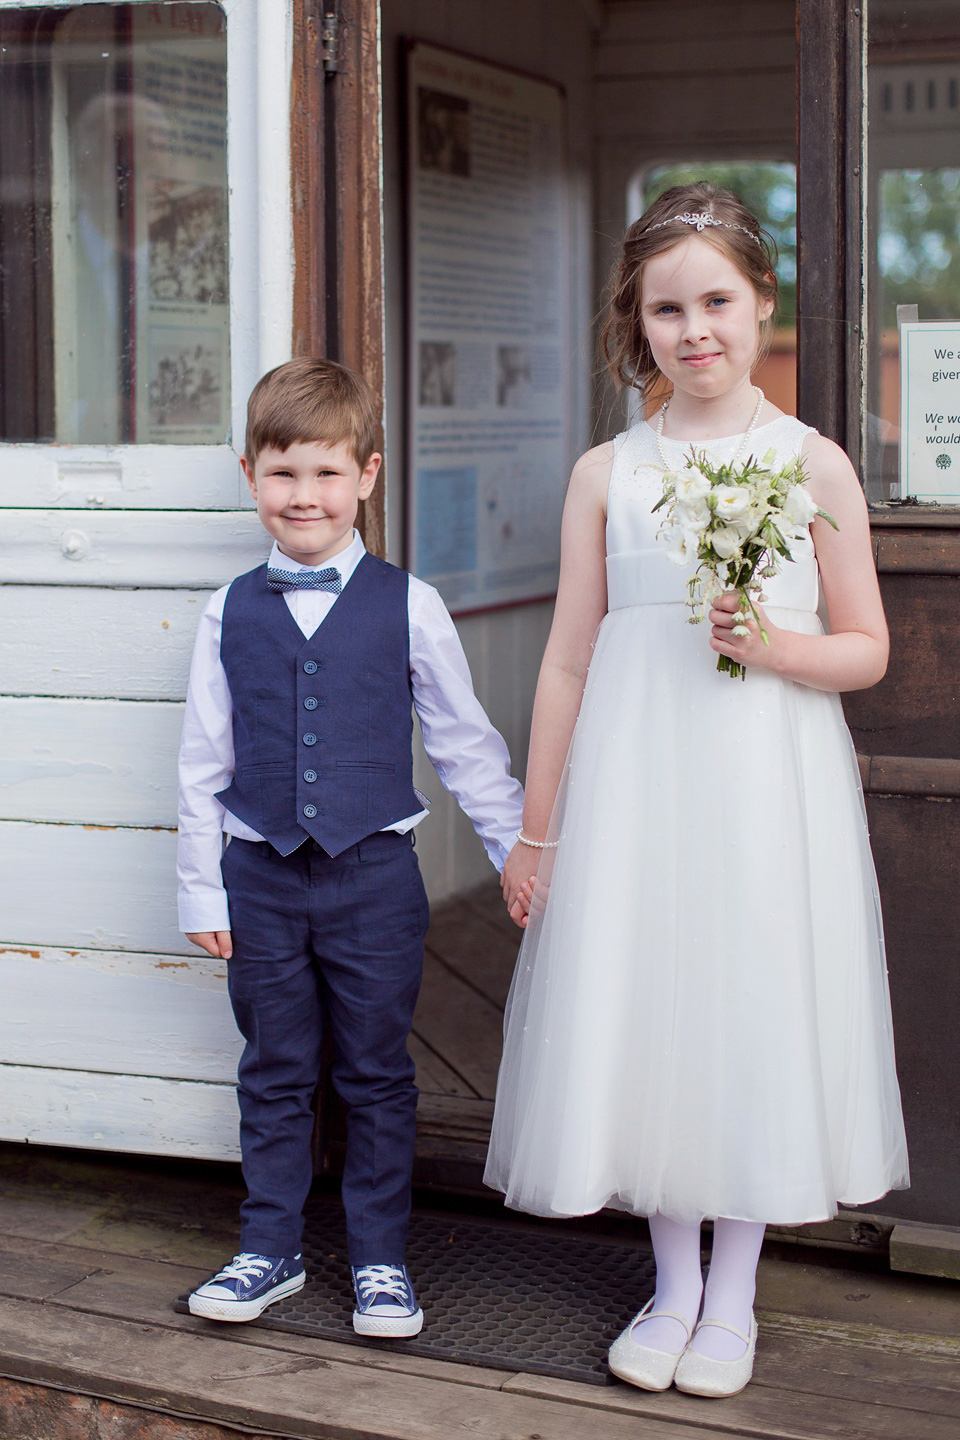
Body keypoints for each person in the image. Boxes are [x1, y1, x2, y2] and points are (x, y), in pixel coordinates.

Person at [485, 183, 908, 1398]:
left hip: (762, 784)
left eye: (716, 299)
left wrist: (776, 644)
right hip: (637, 782)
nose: (694, 328)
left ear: (761, 304)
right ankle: (670, 1284)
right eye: (667, 308)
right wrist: (538, 829)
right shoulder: (606, 473)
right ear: (640, 322)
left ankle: (735, 1296)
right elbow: (569, 657)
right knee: (654, 998)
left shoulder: (811, 463)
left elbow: (866, 647)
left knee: (747, 997)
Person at [178, 357, 523, 1336]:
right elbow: (203, 763)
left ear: (367, 476)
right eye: (284, 474)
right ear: (251, 476)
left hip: (375, 877)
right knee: (275, 1066)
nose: (304, 495)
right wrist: (202, 892)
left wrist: (516, 853)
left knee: (375, 1071)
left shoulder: (409, 604)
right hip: (260, 878)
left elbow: (464, 743)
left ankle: (378, 1260)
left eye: (326, 474)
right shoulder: (227, 611)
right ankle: (268, 1249)